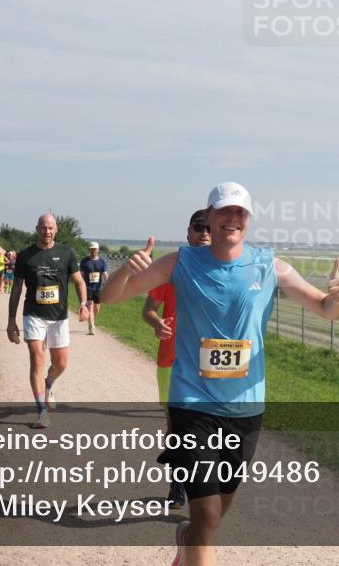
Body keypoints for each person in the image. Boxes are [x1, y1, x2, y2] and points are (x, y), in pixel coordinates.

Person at [101, 182, 339, 566]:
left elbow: (325, 310)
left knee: (216, 513)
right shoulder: (180, 262)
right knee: (208, 513)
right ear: (210, 216)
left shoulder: (270, 266)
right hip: (192, 403)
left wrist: (335, 300)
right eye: (223, 211)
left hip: (245, 410)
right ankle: (193, 536)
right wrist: (122, 272)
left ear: (248, 221)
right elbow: (111, 297)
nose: (232, 218)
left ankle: (187, 539)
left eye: (240, 212)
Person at [141, 209, 211, 509]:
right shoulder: (172, 268)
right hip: (171, 359)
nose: (205, 233)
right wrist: (156, 323)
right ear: (188, 232)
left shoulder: (222, 270)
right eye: (199, 228)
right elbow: (148, 309)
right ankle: (178, 484)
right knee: (176, 425)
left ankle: (203, 482)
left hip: (209, 362)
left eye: (210, 228)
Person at [6, 213, 89, 429]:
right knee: (37, 359)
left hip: (59, 317)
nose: (47, 232)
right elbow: (16, 288)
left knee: (61, 363)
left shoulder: (67, 252)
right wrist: (11, 320)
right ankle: (42, 411)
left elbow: (79, 281)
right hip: (33, 314)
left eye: (51, 228)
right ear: (37, 229)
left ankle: (48, 384)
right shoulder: (25, 256)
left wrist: (83, 304)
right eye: (43, 228)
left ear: (56, 229)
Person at [79, 243, 109, 335]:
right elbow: (81, 275)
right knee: (91, 306)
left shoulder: (102, 262)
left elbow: (105, 274)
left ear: (98, 250)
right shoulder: (85, 261)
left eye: (95, 249)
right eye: (92, 249)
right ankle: (91, 327)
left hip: (98, 289)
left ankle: (91, 320)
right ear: (89, 250)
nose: (93, 251)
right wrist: (81, 284)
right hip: (88, 288)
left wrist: (108, 283)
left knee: (97, 308)